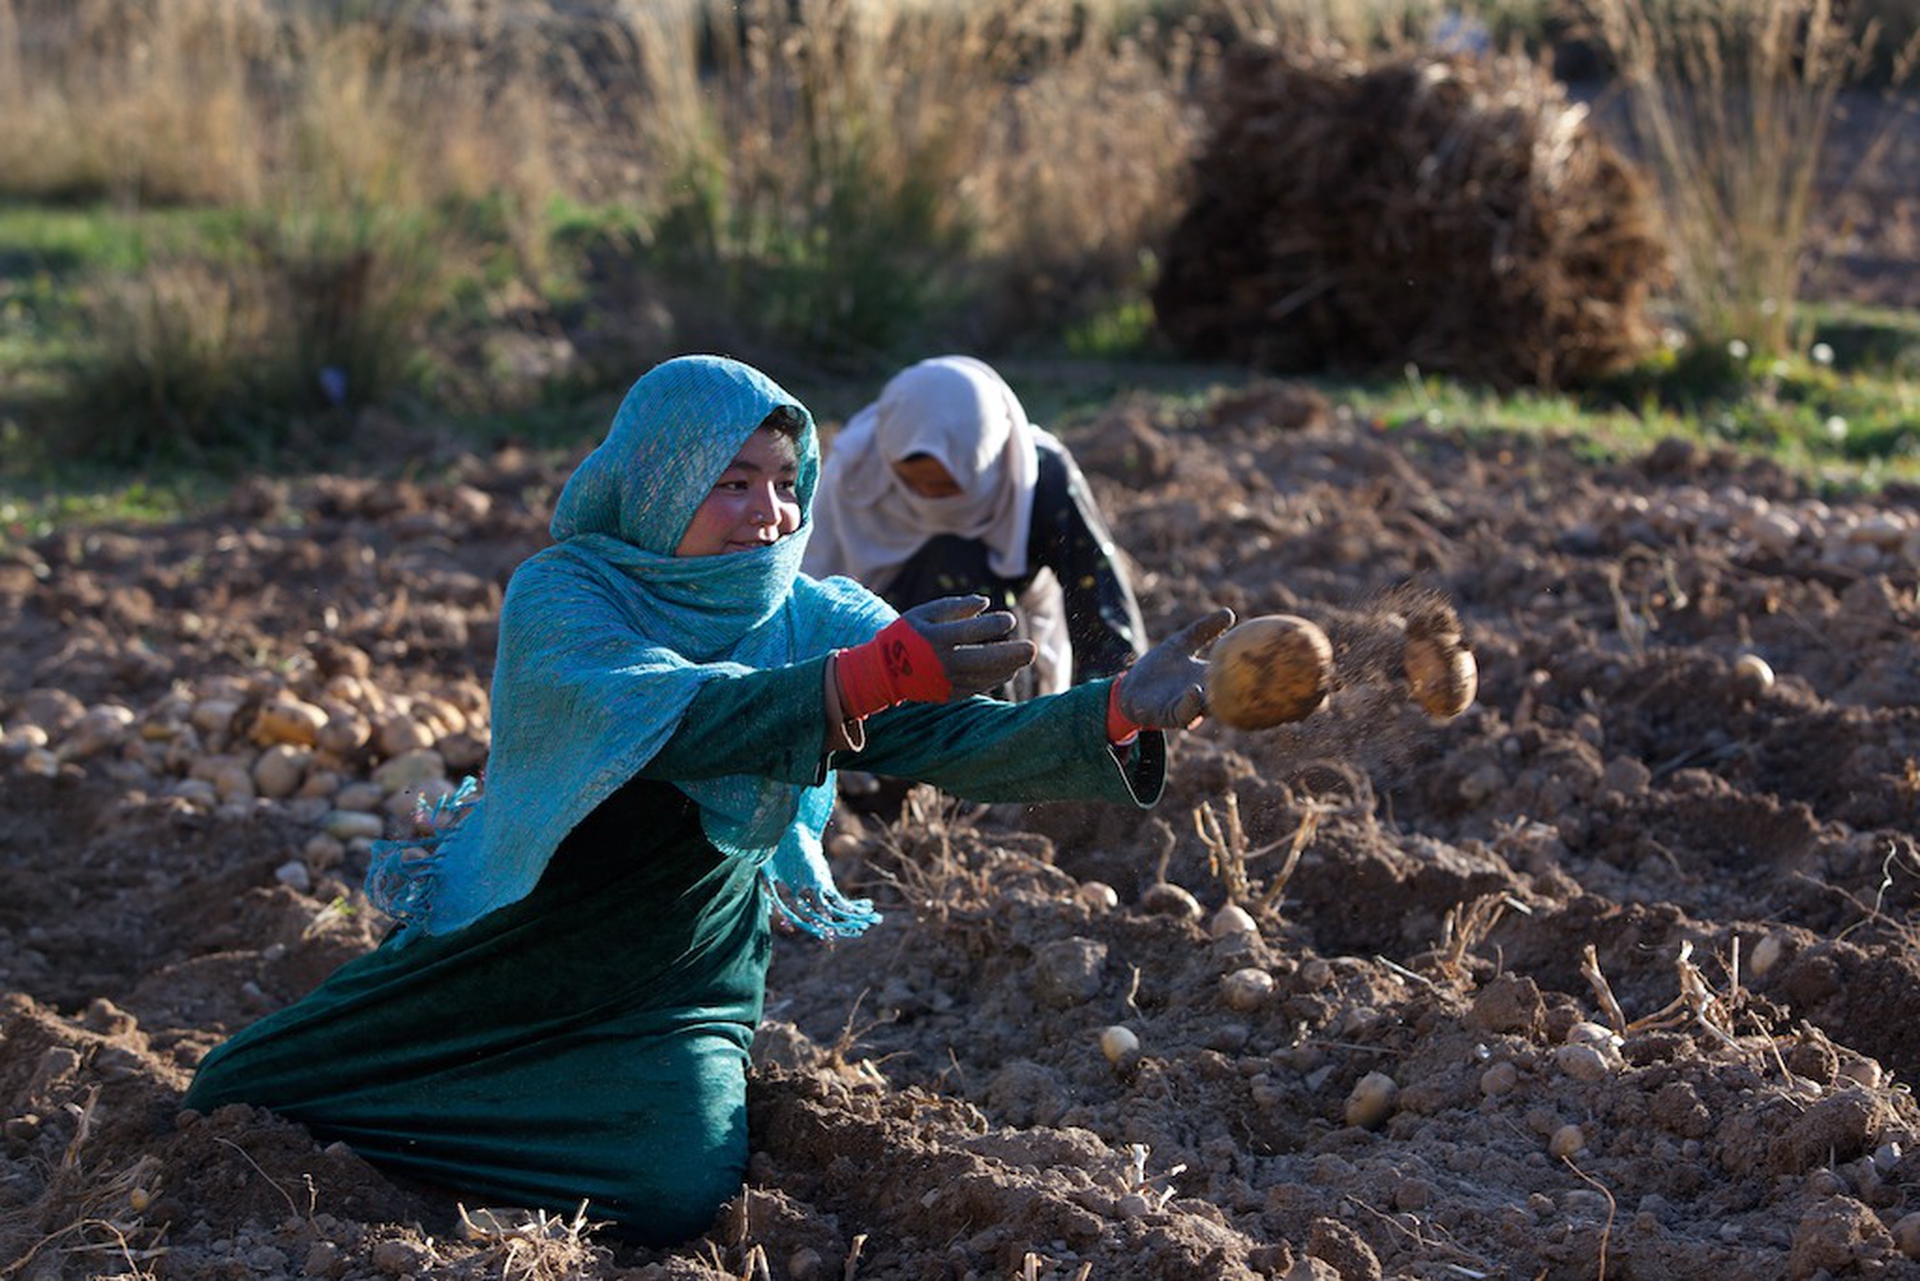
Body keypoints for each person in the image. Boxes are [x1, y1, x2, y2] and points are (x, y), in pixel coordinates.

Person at [181, 354, 1231, 1247]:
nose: (768, 514)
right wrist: (860, 682)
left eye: (783, 483)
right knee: (233, 1090)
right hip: (500, 950)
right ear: (662, 479)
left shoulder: (815, 616)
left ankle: (486, 1132)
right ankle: (465, 1115)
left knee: (672, 1192)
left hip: (680, 979)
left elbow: (956, 741)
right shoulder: (570, 595)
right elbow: (673, 721)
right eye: (733, 481)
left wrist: (1113, 712)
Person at [804, 355, 1147, 700]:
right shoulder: (856, 471)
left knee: (962, 572)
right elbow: (810, 597)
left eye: (944, 489)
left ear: (986, 464)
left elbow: (1102, 610)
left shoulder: (1036, 480)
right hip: (885, 664)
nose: (929, 501)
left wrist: (1113, 708)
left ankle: (998, 735)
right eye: (912, 485)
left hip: (1009, 653)